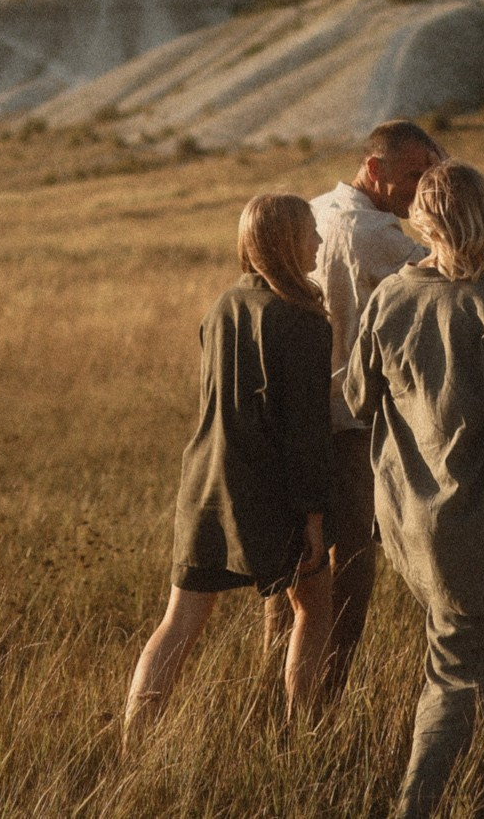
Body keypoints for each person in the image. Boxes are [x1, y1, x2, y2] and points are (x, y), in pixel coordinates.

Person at [344, 160, 484, 818]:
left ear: (424, 220)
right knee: (463, 672)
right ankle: (419, 803)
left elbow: (356, 396)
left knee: (451, 651)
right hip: (468, 519)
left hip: (403, 518)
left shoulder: (388, 297)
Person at [123, 193, 336, 743]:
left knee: (179, 621)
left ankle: (131, 745)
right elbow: (306, 432)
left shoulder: (221, 305)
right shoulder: (303, 321)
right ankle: (301, 736)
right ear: (285, 242)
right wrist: (313, 518)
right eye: (310, 231)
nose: (318, 241)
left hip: (203, 482)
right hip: (264, 488)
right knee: (314, 607)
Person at [267, 120, 444, 695]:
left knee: (294, 563)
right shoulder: (373, 233)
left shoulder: (313, 211)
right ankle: (324, 698)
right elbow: (454, 274)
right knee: (350, 564)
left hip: (294, 413)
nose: (420, 190)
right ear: (375, 169)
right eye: (414, 175)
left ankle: (275, 692)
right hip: (350, 420)